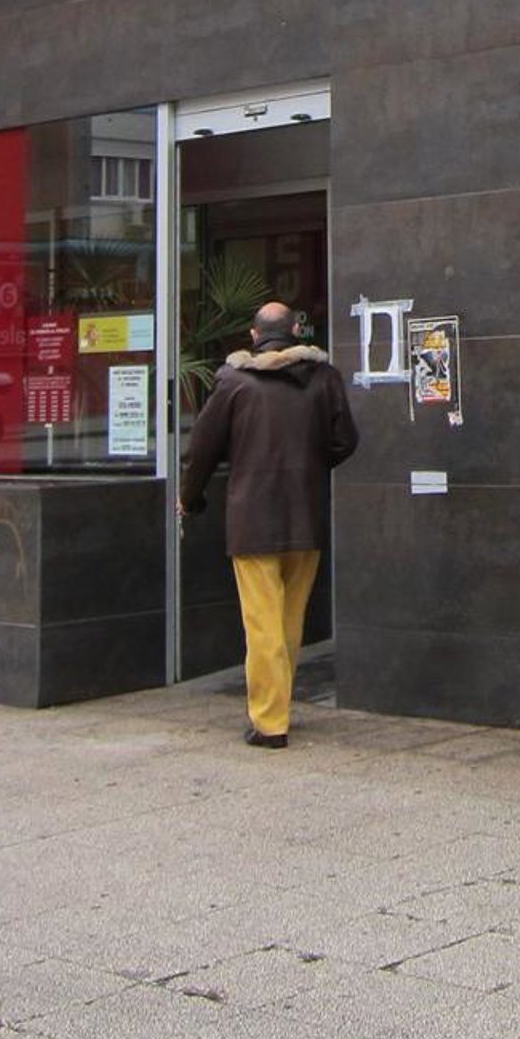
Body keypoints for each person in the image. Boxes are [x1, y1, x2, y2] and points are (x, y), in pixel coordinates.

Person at [178, 300, 358, 748]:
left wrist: (190, 498)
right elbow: (345, 441)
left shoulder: (234, 381)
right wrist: (311, 465)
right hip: (305, 515)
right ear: (295, 332)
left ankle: (270, 722)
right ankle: (278, 704)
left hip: (252, 518)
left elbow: (202, 449)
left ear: (254, 336)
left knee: (262, 623)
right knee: (289, 620)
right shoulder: (323, 378)